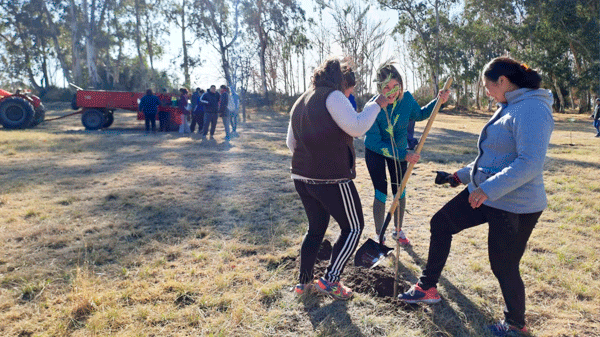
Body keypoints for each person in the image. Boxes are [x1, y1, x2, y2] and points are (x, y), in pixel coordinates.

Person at [398, 57, 554, 337]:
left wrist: (486, 189)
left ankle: (516, 325)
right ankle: (427, 287)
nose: (486, 92)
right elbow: (493, 157)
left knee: (504, 264)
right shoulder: (509, 106)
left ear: (503, 82)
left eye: (487, 86)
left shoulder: (531, 109)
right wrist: (459, 176)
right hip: (486, 195)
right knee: (441, 223)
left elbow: (529, 163)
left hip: (515, 204)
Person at [286, 56, 393, 300]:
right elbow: (356, 127)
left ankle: (304, 283)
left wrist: (310, 162)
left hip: (301, 177)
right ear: (342, 83)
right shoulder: (333, 96)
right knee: (353, 227)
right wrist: (375, 104)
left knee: (315, 229)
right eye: (350, 90)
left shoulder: (301, 100)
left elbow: (290, 143)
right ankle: (331, 281)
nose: (349, 94)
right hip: (331, 179)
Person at [364, 62, 450, 246]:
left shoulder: (407, 100)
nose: (392, 91)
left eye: (396, 86)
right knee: (381, 191)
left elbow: (420, 114)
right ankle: (380, 235)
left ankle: (397, 230)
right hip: (376, 151)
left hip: (401, 149)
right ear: (379, 87)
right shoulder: (372, 107)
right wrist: (403, 155)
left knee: (399, 190)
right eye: (387, 87)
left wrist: (439, 101)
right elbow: (376, 143)